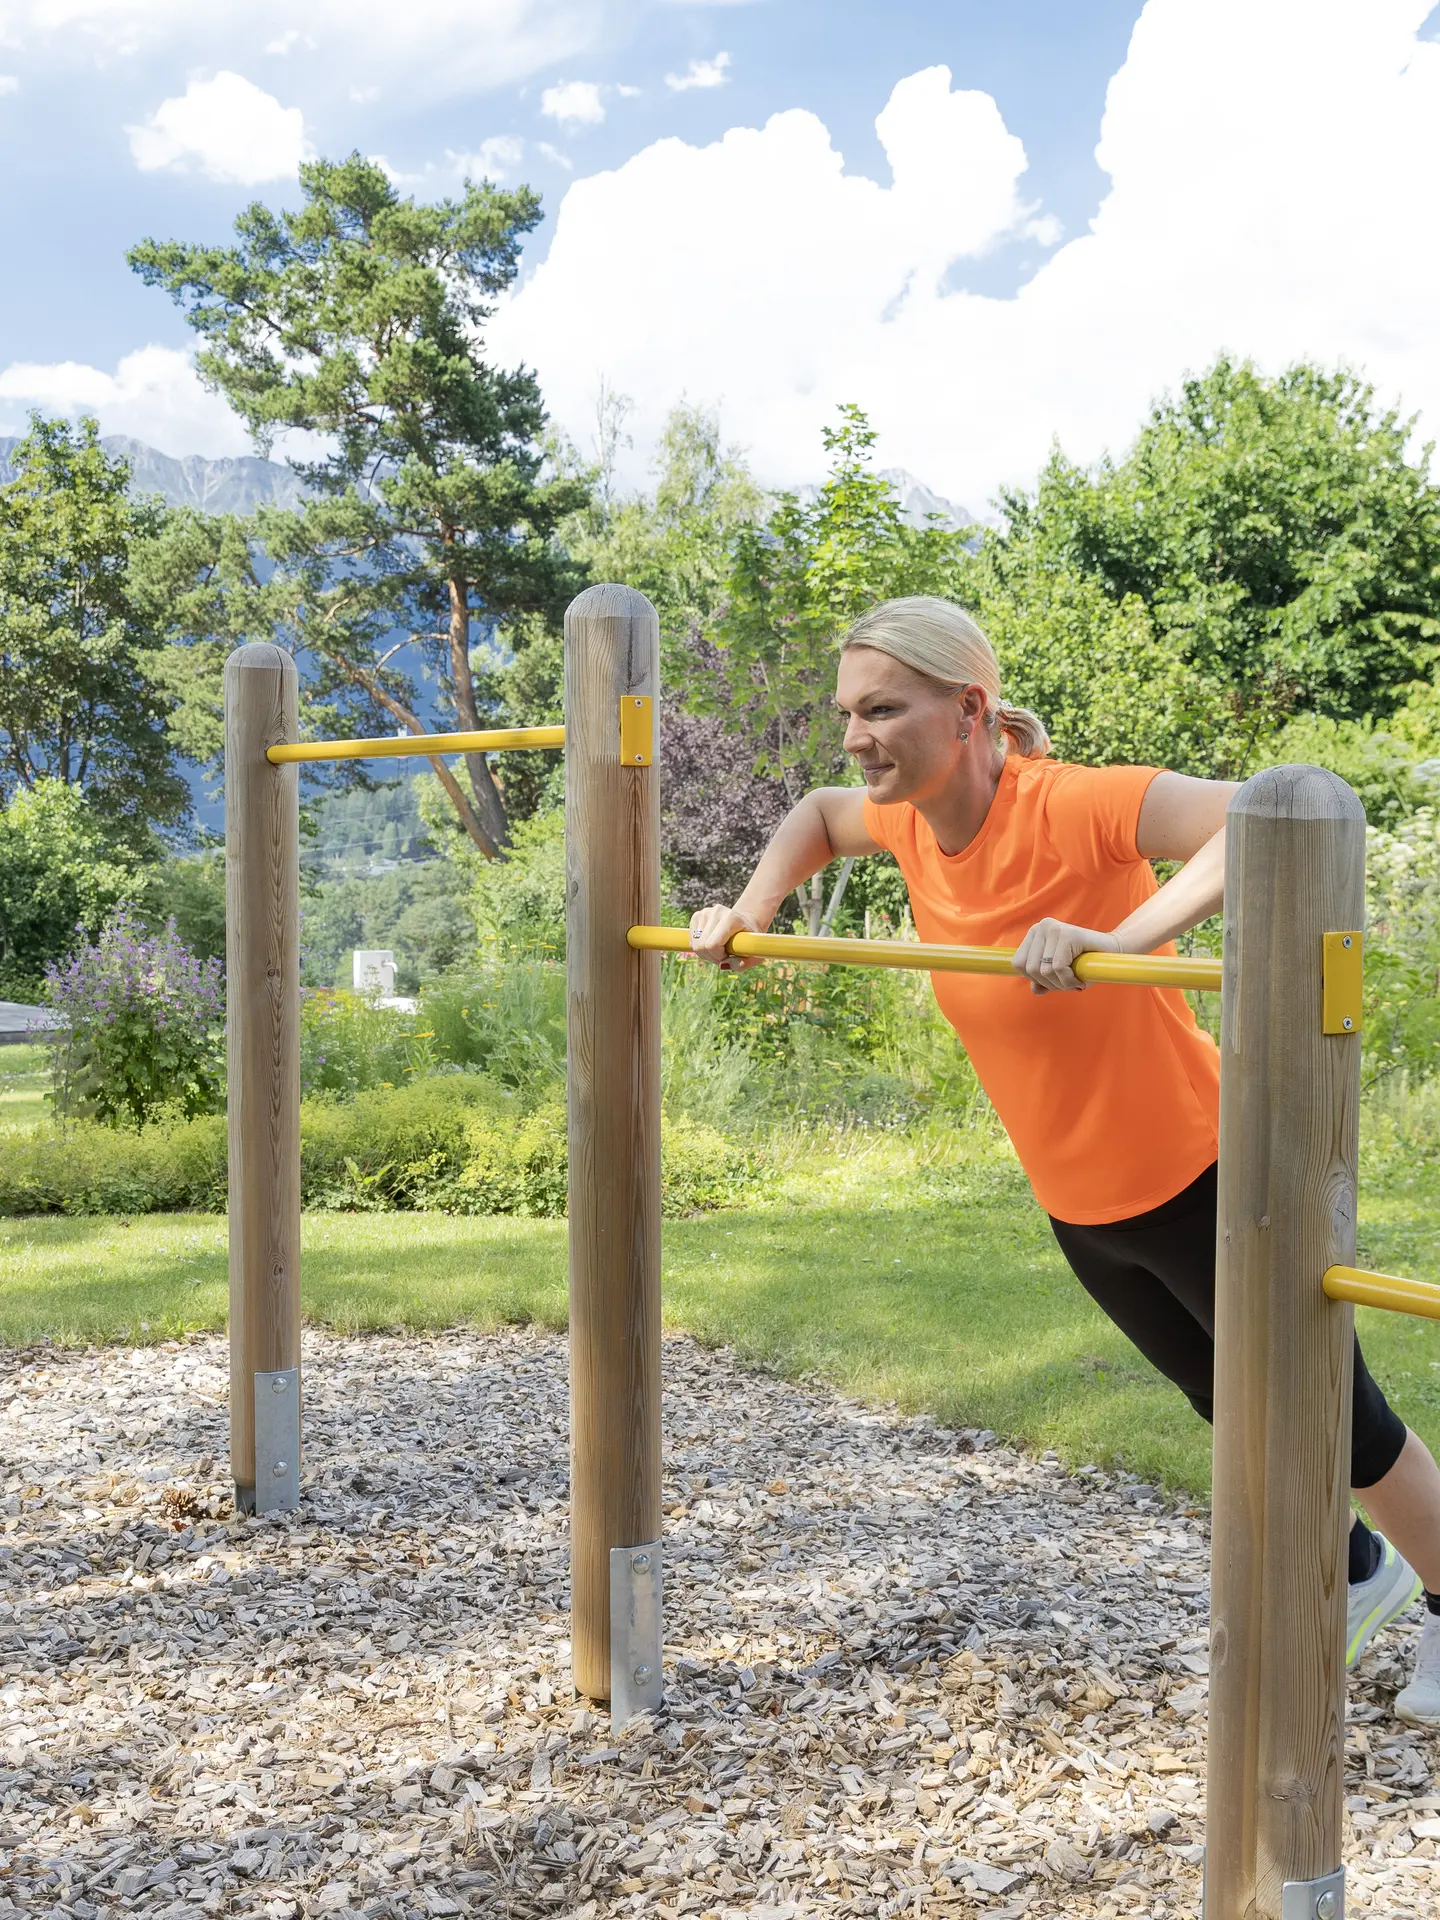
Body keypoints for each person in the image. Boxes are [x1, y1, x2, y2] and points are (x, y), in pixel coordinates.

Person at [688, 594, 1440, 1725]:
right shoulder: (905, 819)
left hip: (1206, 1171)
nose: (856, 735)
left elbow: (1273, 817)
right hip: (1081, 1198)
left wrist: (1118, 940)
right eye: (848, 711)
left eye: (883, 708)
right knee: (1221, 1400)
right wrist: (746, 907)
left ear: (971, 710)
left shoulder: (1072, 803)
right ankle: (1352, 1571)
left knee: (1345, 1421)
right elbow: (813, 814)